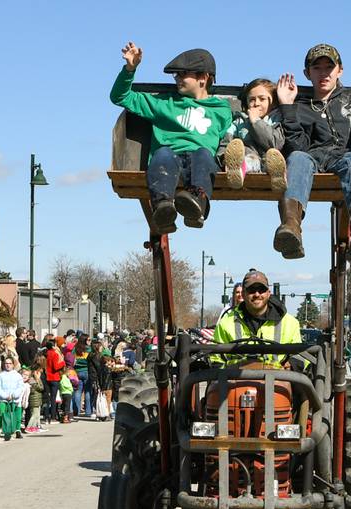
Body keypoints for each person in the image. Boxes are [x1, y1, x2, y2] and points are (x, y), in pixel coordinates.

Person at [274, 43, 351, 261]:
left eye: (329, 67)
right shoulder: (300, 104)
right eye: (317, 68)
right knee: (298, 157)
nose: (323, 73)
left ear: (339, 70)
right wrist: (288, 108)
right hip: (310, 161)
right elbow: (296, 146)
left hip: (345, 161)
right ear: (307, 73)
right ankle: (291, 228)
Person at [111, 42, 232, 233]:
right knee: (163, 154)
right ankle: (163, 207)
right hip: (169, 163)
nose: (177, 79)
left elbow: (229, 136)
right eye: (176, 75)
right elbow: (120, 96)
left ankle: (197, 204)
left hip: (200, 165)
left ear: (203, 77)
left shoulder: (221, 110)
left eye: (183, 74)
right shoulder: (163, 103)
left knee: (203, 154)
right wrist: (129, 69)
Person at [212, 269, 302, 367]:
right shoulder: (226, 323)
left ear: (268, 293)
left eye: (261, 290)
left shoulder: (290, 323)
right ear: (243, 294)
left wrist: (291, 366)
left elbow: (300, 356)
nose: (257, 294)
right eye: (251, 290)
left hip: (278, 379)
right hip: (235, 379)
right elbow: (215, 359)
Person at [219, 78, 286, 190]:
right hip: (249, 159)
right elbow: (226, 143)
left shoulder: (276, 120)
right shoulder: (239, 122)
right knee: (248, 159)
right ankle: (237, 171)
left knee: (271, 158)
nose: (256, 103)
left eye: (262, 99)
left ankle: (278, 176)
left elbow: (275, 143)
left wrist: (256, 122)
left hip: (268, 159)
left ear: (273, 103)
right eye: (252, 100)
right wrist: (224, 158)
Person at [0, 356, 25, 440]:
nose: (8, 365)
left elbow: (20, 387)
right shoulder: (0, 375)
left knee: (13, 416)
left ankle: (10, 431)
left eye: (10, 363)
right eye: (6, 363)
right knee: (1, 414)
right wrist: (5, 395)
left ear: (13, 365)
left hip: (14, 399)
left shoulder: (17, 375)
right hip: (3, 399)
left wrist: (14, 395)